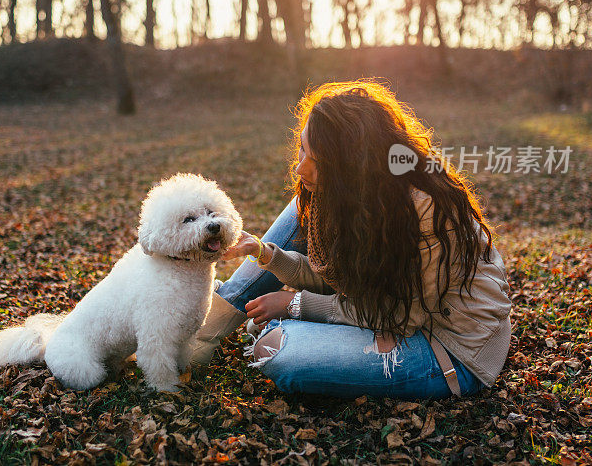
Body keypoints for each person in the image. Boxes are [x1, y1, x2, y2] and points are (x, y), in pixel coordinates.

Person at [191, 81, 511, 399]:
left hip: (446, 349)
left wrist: (295, 304)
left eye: (319, 162)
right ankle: (207, 326)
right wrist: (266, 254)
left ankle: (237, 327)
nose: (301, 166)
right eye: (303, 148)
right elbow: (332, 275)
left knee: (274, 350)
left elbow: (401, 316)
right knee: (303, 204)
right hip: (389, 314)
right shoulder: (356, 194)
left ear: (353, 168)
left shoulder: (422, 208)